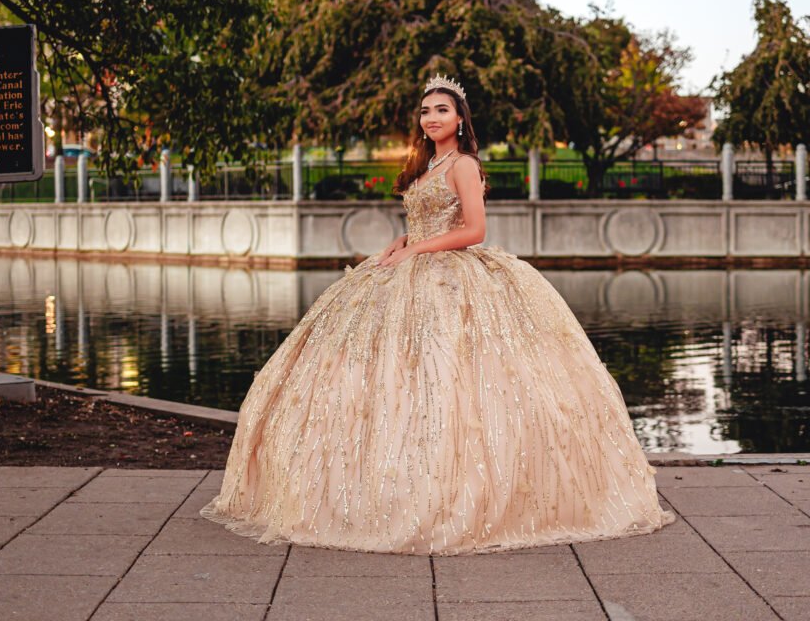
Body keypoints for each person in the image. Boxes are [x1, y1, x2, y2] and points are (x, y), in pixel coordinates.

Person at [201, 74, 675, 554]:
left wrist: (419, 247)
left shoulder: (465, 164)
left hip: (449, 273)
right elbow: (427, 218)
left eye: (442, 110)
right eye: (426, 111)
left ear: (460, 118)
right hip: (413, 264)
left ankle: (462, 487)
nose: (431, 118)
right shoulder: (429, 162)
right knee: (390, 373)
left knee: (455, 376)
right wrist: (406, 240)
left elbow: (474, 229)